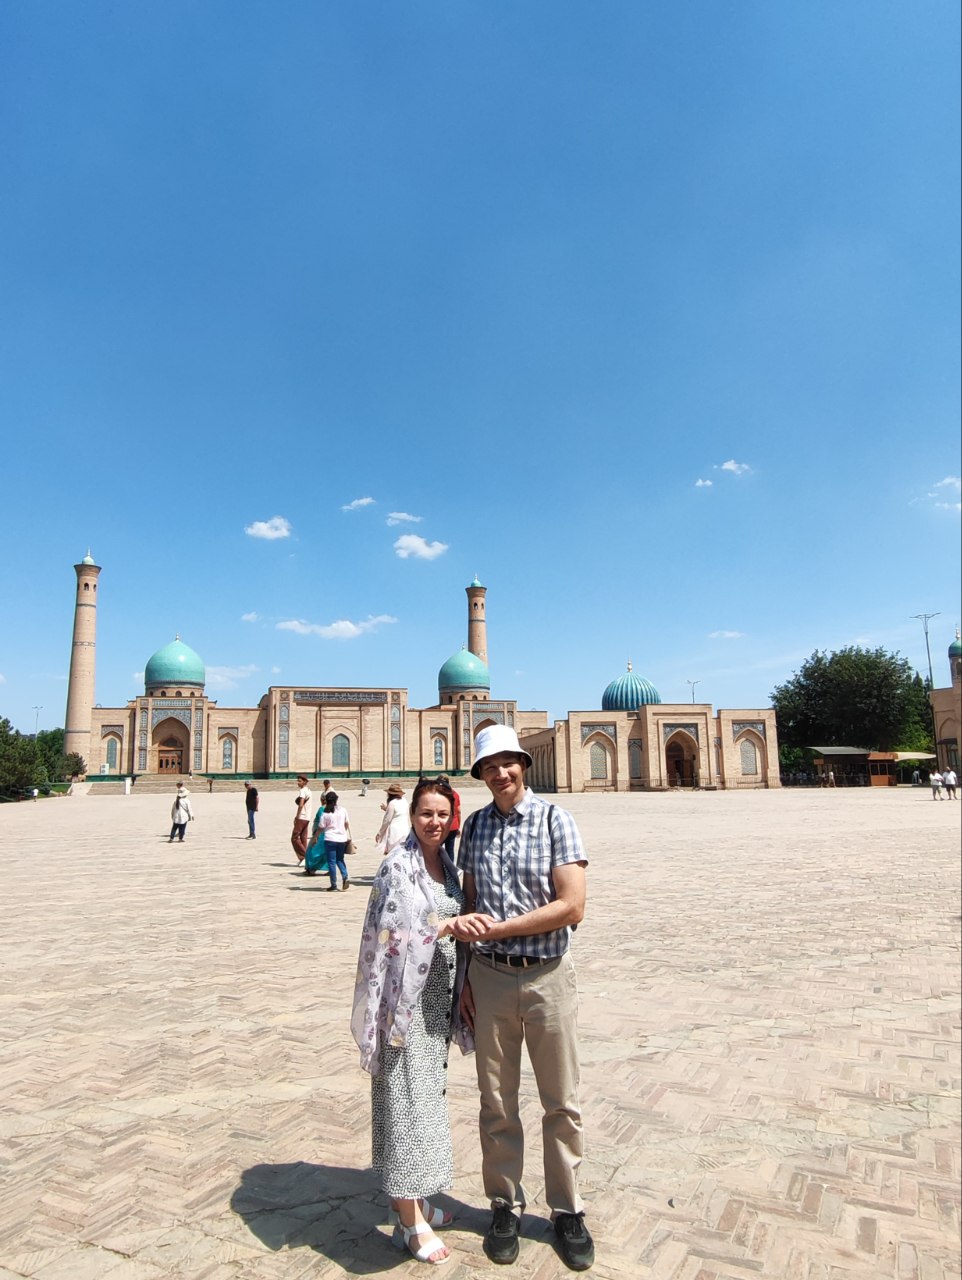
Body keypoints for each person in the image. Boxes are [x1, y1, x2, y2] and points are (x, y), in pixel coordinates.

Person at [456, 725, 595, 1272]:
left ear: (523, 763)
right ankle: (504, 1204)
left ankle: (567, 1209)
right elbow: (469, 906)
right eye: (489, 767)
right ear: (481, 774)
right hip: (489, 977)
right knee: (496, 1100)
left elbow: (572, 906)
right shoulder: (474, 826)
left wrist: (501, 930)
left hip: (547, 978)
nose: (500, 774)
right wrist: (467, 976)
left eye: (507, 763)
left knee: (561, 1099)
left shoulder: (556, 819)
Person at [352, 778, 487, 1265]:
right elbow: (391, 933)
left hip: (435, 1004)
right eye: (426, 813)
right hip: (401, 1006)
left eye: (442, 814)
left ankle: (411, 1198)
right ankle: (410, 1222)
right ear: (411, 816)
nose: (434, 822)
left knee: (423, 1099)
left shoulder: (444, 863)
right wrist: (446, 925)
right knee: (405, 1101)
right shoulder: (397, 866)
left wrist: (464, 983)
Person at [319, 790, 352, 891]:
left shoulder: (325, 813)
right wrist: (342, 831)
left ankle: (333, 884)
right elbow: (347, 823)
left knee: (331, 862)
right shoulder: (343, 810)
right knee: (340, 859)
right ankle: (345, 876)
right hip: (341, 839)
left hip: (330, 839)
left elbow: (321, 827)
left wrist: (315, 837)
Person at [375, 783, 411, 855]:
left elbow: (387, 820)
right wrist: (387, 809)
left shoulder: (392, 803)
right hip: (405, 829)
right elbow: (399, 812)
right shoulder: (404, 801)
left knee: (393, 853)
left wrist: (380, 833)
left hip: (394, 831)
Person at [437, 775, 461, 859]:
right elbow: (458, 811)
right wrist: (458, 826)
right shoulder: (455, 794)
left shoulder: (438, 794)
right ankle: (450, 866)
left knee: (436, 849)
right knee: (450, 850)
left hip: (442, 826)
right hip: (453, 826)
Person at [292, 775, 312, 862]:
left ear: (304, 782)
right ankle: (304, 860)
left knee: (294, 837)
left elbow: (301, 804)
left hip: (302, 817)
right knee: (303, 838)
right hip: (307, 817)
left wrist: (297, 816)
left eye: (299, 781)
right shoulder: (309, 791)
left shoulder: (302, 791)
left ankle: (305, 856)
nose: (298, 782)